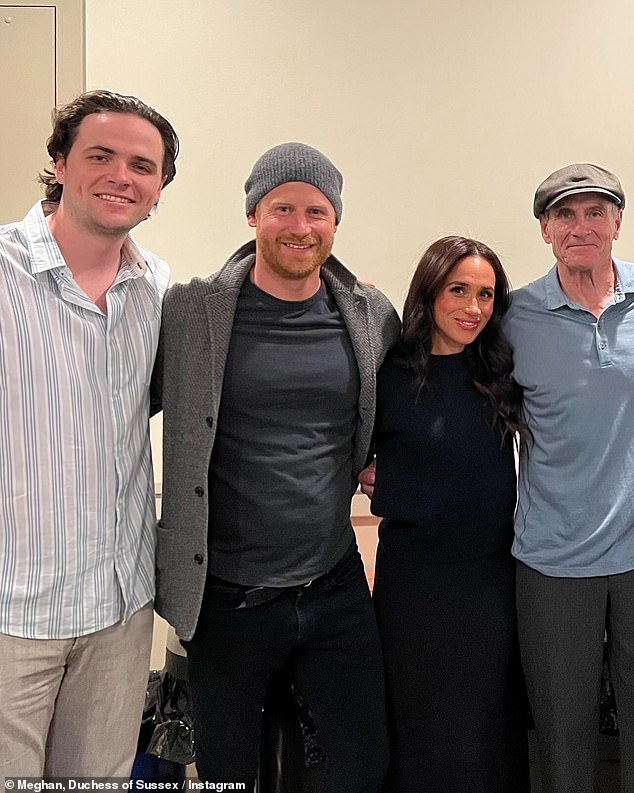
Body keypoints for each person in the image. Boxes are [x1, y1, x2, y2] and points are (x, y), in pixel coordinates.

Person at [151, 142, 400, 791]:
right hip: (227, 598)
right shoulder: (190, 312)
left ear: (335, 222)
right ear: (252, 215)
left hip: (334, 587)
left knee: (362, 767)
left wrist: (385, 462)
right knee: (229, 775)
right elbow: (120, 404)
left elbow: (404, 405)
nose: (300, 226)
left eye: (316, 211)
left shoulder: (370, 315)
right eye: (282, 207)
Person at [0, 90, 179, 778]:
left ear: (158, 189)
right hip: (12, 610)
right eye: (100, 156)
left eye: (142, 165)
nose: (120, 177)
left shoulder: (156, 286)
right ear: (60, 163)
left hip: (118, 608)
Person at [365, 236, 531, 792]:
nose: (473, 307)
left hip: (490, 581)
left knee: (486, 733)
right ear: (430, 292)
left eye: (485, 294)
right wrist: (373, 475)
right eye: (458, 290)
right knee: (418, 730)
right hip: (414, 586)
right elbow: (342, 448)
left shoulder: (504, 369)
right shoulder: (389, 372)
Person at [502, 163, 634, 793]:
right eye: (565, 214)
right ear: (545, 230)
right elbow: (440, 373)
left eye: (595, 212)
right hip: (553, 560)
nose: (581, 227)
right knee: (563, 738)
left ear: (617, 222)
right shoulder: (512, 317)